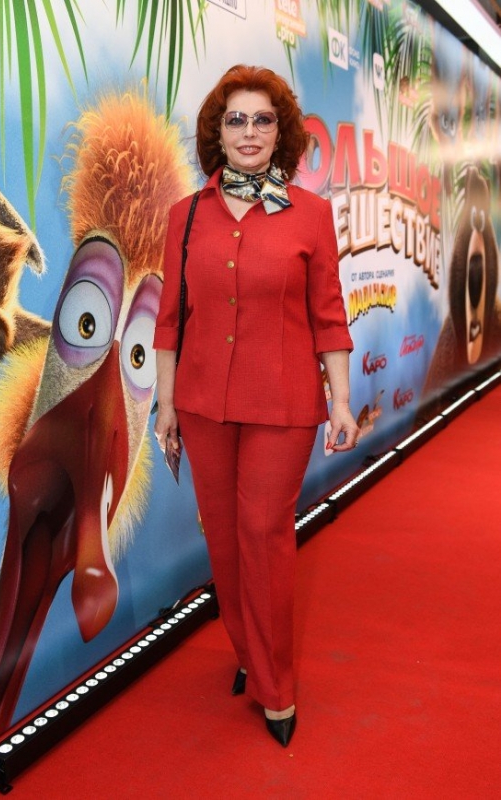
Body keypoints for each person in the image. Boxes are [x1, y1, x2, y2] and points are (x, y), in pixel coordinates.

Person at [153, 64, 359, 747]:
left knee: (263, 535)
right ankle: (247, 651)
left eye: (262, 119)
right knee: (224, 538)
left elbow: (329, 316)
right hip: (202, 403)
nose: (249, 131)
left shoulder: (312, 216)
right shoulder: (186, 216)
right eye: (235, 119)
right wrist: (165, 405)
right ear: (217, 132)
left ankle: (276, 687)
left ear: (281, 132)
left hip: (284, 404)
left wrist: (342, 401)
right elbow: (169, 321)